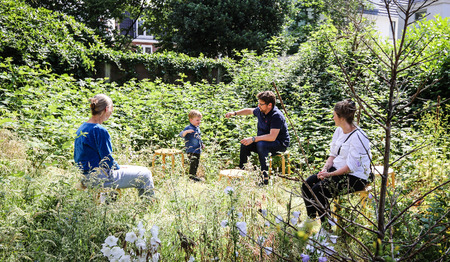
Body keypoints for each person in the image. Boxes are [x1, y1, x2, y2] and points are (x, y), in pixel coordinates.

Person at [301, 99, 371, 227]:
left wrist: (329, 175)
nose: (333, 117)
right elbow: (332, 155)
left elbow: (350, 167)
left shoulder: (359, 136)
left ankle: (327, 227)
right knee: (307, 184)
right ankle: (310, 221)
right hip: (337, 170)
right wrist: (325, 170)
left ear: (342, 118)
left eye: (334, 115)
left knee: (319, 189)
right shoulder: (339, 131)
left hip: (356, 177)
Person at [74, 94, 154, 199]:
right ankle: (147, 207)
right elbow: (107, 160)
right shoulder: (100, 130)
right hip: (99, 177)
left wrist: (117, 166)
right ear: (107, 109)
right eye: (111, 109)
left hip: (84, 176)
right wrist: (117, 167)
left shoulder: (82, 127)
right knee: (145, 174)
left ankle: (108, 203)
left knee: (133, 169)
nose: (111, 112)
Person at [225, 91, 290, 185]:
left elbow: (272, 137)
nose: (258, 106)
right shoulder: (261, 110)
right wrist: (234, 113)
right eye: (258, 103)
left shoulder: (276, 116)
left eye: (261, 104)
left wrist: (253, 139)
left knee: (261, 144)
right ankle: (241, 174)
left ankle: (264, 179)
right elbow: (249, 111)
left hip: (279, 144)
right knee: (245, 144)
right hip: (263, 141)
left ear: (269, 105)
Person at [179, 110, 204, 182]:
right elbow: (181, 135)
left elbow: (198, 137)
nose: (199, 122)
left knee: (196, 163)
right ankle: (191, 177)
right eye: (197, 120)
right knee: (193, 163)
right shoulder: (188, 128)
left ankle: (194, 175)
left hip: (198, 149)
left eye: (200, 120)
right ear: (191, 120)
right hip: (191, 150)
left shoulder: (197, 128)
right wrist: (186, 132)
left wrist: (202, 144)